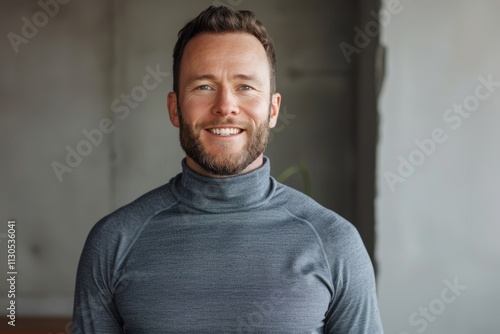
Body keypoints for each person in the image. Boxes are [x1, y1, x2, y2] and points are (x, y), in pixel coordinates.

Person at [72, 5, 384, 333]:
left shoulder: (335, 242)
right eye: (204, 86)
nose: (225, 106)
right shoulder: (113, 242)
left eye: (245, 87)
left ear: (273, 109)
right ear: (175, 108)